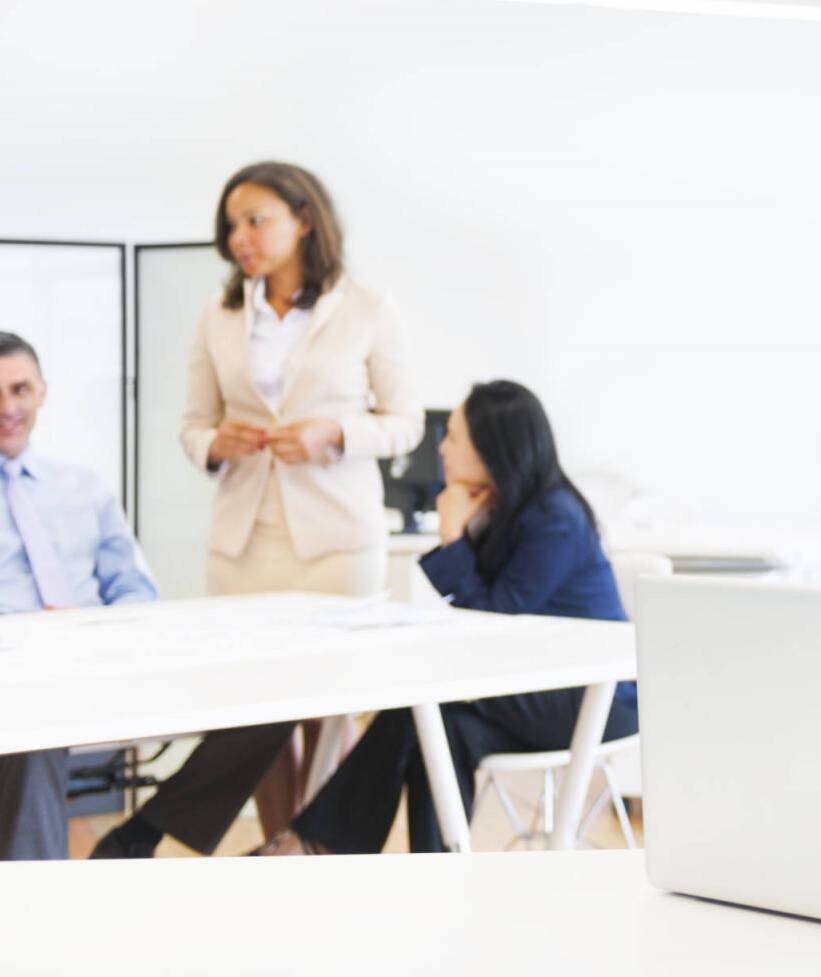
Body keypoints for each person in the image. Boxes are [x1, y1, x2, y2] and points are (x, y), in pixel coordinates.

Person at [100, 162, 424, 852]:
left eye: (255, 220)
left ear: (304, 219)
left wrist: (334, 433)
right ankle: (279, 841)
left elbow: (405, 421)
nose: (238, 237)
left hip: (338, 538)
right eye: (230, 225)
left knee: (326, 706)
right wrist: (218, 443)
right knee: (262, 703)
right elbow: (192, 424)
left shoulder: (366, 306)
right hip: (245, 539)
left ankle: (318, 842)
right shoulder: (219, 315)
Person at [253, 380, 637, 854]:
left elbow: (493, 619)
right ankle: (434, 869)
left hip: (591, 697)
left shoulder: (554, 517)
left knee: (419, 700)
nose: (441, 449)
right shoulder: (499, 503)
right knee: (439, 727)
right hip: (530, 686)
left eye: (454, 437)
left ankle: (315, 843)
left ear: (493, 446)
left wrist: (454, 536)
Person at [0, 332, 157, 859]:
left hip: (100, 660)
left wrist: (105, 634)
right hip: (17, 677)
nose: (8, 408)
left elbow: (135, 589)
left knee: (255, 713)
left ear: (42, 391)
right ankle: (36, 903)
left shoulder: (83, 486)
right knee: (32, 718)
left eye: (20, 389)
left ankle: (142, 834)